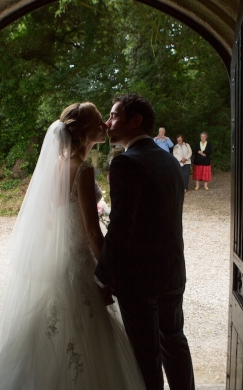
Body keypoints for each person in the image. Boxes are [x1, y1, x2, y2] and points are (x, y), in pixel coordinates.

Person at [0, 102, 146, 390]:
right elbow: (93, 234)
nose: (105, 126)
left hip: (59, 263)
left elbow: (50, 221)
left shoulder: (55, 167)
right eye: (98, 123)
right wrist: (110, 274)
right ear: (83, 132)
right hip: (80, 264)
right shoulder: (82, 171)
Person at [95, 94, 195, 390]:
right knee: (174, 342)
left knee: (146, 355)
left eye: (113, 116)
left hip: (140, 280)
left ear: (135, 121)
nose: (107, 122)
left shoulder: (125, 163)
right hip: (173, 271)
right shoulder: (170, 161)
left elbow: (122, 227)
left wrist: (104, 275)